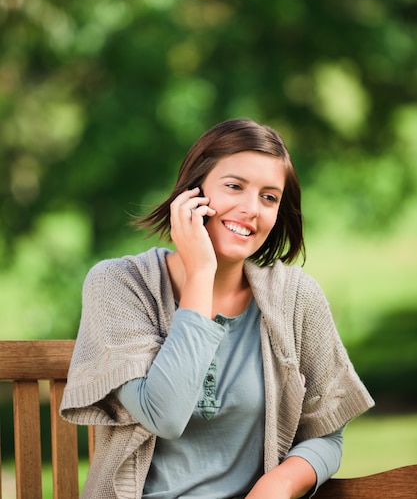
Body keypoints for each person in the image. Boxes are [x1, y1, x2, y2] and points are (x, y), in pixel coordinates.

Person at [60, 118, 374, 499]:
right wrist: (201, 274)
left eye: (269, 197)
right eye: (234, 186)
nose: (251, 209)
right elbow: (165, 415)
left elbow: (326, 433)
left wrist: (278, 484)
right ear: (193, 191)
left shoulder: (295, 297)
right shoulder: (120, 284)